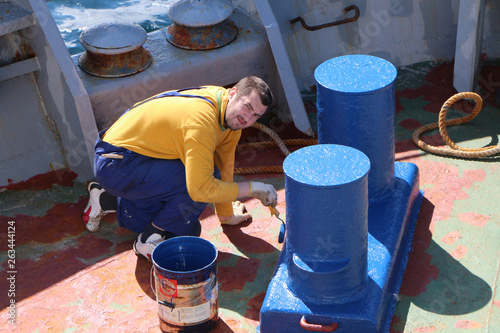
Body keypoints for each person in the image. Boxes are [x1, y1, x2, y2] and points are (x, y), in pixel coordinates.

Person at [82, 76, 278, 261]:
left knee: (189, 229)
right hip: (116, 162)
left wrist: (226, 216)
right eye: (247, 107)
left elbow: (224, 167)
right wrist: (254, 189)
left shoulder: (228, 114)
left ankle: (104, 199)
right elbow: (201, 188)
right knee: (192, 198)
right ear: (233, 92)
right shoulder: (202, 120)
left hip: (142, 157)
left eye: (255, 116)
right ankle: (149, 238)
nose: (247, 118)